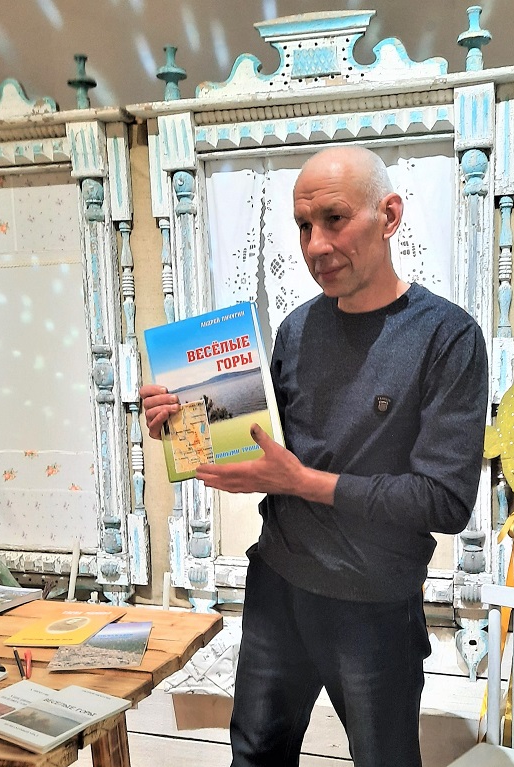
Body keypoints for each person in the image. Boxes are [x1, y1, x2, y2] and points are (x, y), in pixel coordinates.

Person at [140, 146, 488, 767]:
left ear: (389, 216)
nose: (316, 245)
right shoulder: (297, 328)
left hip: (376, 605)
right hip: (278, 587)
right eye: (304, 226)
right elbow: (260, 442)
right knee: (255, 756)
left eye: (334, 219)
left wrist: (303, 481)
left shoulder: (448, 337)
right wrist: (181, 421)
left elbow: (445, 500)